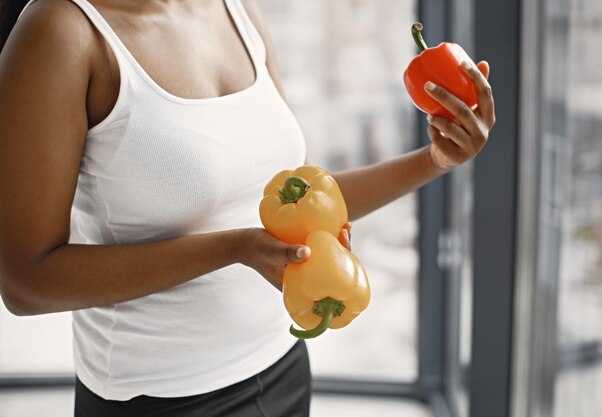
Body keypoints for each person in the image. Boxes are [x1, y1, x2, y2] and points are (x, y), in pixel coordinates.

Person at [0, 0, 495, 416]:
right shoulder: (60, 32)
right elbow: (26, 282)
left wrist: (434, 160)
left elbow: (307, 199)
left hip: (282, 366)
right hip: (159, 398)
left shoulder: (234, 9)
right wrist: (234, 248)